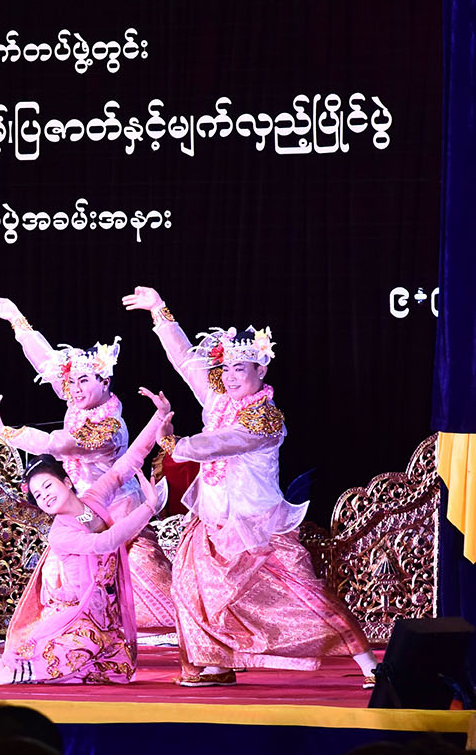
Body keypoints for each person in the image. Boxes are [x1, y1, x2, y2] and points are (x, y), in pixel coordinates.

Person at [122, 287, 376, 686]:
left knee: (304, 594)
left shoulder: (265, 418)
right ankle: (216, 664)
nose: (229, 376)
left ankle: (370, 664)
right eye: (225, 369)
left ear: (261, 371)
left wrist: (174, 444)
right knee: (193, 590)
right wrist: (159, 311)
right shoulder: (218, 400)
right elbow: (186, 360)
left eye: (239, 369)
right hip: (211, 520)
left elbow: (222, 443)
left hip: (258, 525)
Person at [0, 388, 172, 686]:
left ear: (67, 481)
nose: (45, 496)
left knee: (117, 670)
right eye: (38, 496)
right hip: (75, 616)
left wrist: (159, 416)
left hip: (104, 616)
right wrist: (148, 508)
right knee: (71, 654)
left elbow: (126, 464)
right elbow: (105, 543)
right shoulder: (61, 533)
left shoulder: (93, 500)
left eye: (48, 487)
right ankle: (16, 672)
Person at [0, 295, 176, 632]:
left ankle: (111, 624)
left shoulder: (109, 426)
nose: (74, 388)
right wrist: (18, 321)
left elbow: (61, 445)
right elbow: (47, 363)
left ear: (105, 381)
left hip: (113, 506)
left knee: (132, 579)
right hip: (82, 510)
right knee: (62, 574)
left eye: (84, 380)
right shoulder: (78, 399)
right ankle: (83, 622)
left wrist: (7, 433)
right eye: (71, 382)